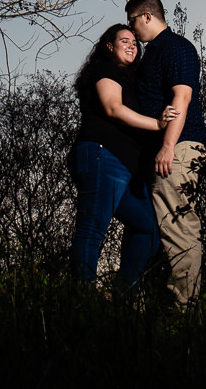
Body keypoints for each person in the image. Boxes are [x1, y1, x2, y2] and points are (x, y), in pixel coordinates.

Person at [68, 23, 177, 294]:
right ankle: (81, 304)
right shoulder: (104, 69)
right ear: (109, 46)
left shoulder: (129, 79)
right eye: (124, 41)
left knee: (149, 228)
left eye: (134, 42)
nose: (131, 45)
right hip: (101, 155)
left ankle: (123, 297)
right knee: (92, 231)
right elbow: (113, 108)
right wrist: (157, 124)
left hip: (123, 167)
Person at [125, 0, 206, 306]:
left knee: (179, 229)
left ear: (147, 16)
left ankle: (185, 311)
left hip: (179, 148)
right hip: (162, 152)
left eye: (132, 21)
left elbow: (181, 99)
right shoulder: (153, 53)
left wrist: (168, 146)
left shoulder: (175, 48)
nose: (132, 30)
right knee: (164, 230)